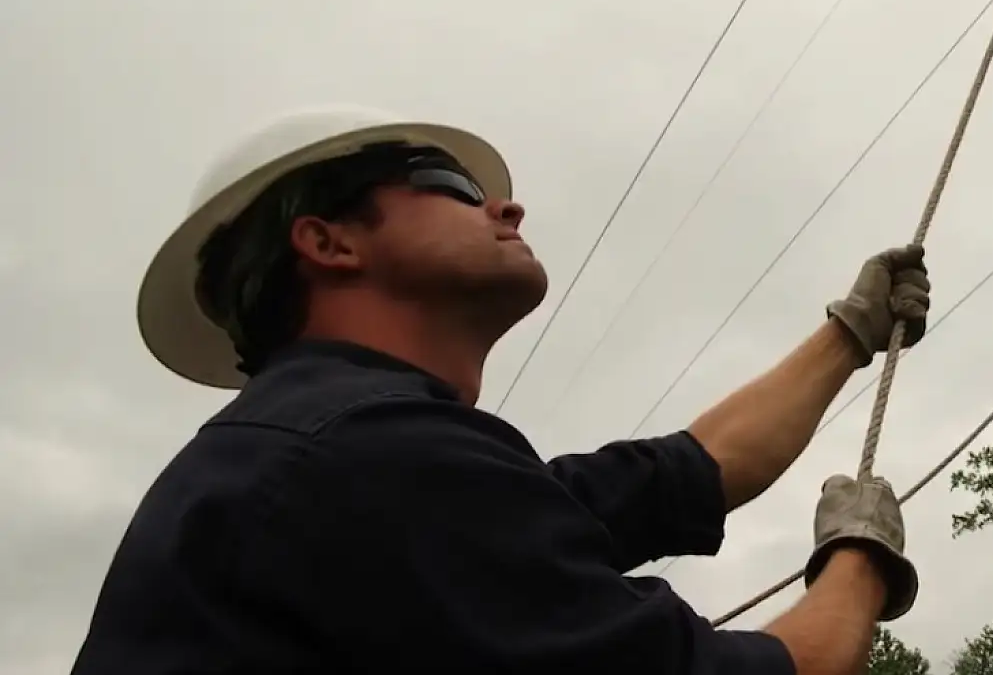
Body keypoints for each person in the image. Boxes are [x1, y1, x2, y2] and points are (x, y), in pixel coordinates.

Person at [72, 107, 932, 675]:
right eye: (451, 187)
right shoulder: (370, 462)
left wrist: (846, 336)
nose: (508, 209)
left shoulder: (338, 455)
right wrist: (860, 563)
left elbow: (690, 473)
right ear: (328, 242)